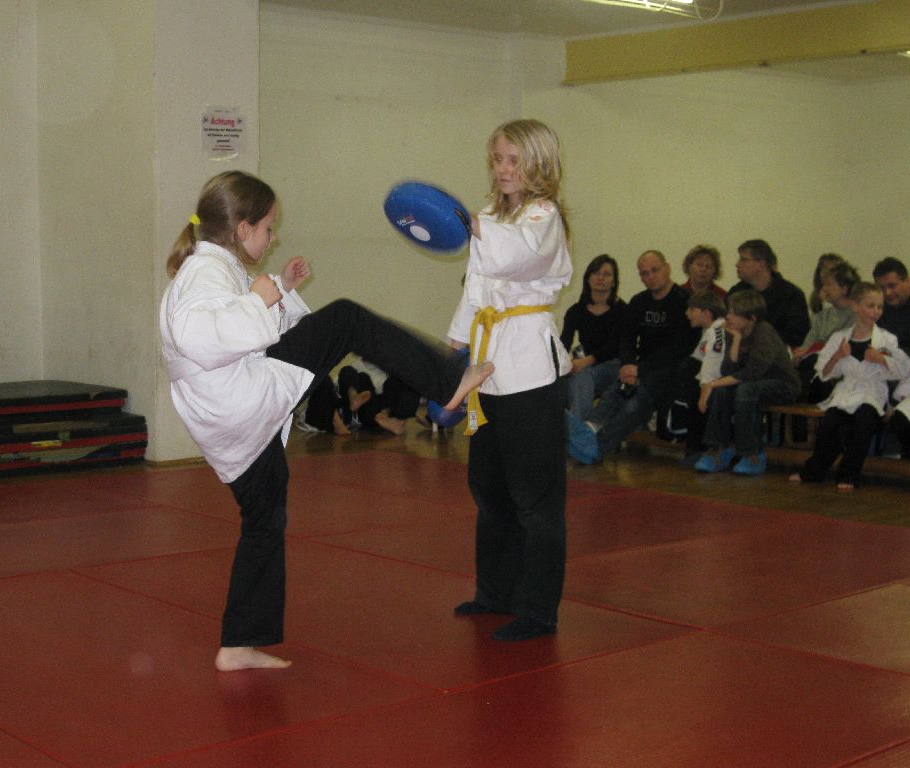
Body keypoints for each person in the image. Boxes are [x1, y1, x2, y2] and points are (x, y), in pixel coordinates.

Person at [160, 170, 493, 671]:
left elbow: (244, 327)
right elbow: (200, 338)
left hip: (226, 416)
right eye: (268, 228)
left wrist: (281, 290)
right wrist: (260, 299)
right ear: (243, 228)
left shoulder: (213, 267)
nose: (273, 238)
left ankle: (239, 643)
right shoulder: (204, 271)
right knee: (346, 320)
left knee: (265, 518)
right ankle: (446, 382)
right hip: (237, 398)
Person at [448, 119, 573, 642]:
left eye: (513, 160)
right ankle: (494, 592)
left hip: (530, 368)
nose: (502, 169)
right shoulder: (492, 219)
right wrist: (454, 347)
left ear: (538, 164)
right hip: (488, 364)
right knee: (489, 488)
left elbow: (520, 255)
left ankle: (538, 609)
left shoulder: (544, 217)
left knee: (535, 498)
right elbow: (476, 289)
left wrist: (475, 228)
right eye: (497, 159)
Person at [567, 250, 698, 464]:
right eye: (644, 273)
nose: (650, 276)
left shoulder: (684, 302)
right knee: (614, 394)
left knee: (633, 406)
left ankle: (595, 448)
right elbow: (627, 339)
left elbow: (680, 348)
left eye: (655, 270)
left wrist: (640, 369)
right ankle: (588, 429)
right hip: (638, 368)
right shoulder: (639, 301)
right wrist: (627, 365)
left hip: (670, 374)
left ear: (667, 268)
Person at [790, 282, 910, 489]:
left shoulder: (887, 339)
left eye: (879, 307)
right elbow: (823, 373)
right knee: (829, 424)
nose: (876, 311)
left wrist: (881, 359)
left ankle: (849, 475)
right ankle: (813, 471)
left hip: (873, 394)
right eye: (870, 306)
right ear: (855, 306)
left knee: (863, 423)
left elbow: (903, 370)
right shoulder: (839, 338)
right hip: (846, 392)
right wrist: (838, 355)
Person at [695, 290, 800, 475]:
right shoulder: (733, 331)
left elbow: (753, 372)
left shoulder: (764, 331)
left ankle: (752, 453)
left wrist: (712, 384)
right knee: (723, 392)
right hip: (751, 385)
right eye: (729, 311)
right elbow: (728, 371)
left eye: (734, 313)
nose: (728, 316)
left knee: (744, 389)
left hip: (783, 385)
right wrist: (736, 340)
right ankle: (719, 449)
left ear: (751, 318)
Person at [559, 254, 626, 422]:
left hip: (614, 366)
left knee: (580, 376)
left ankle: (577, 430)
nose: (601, 278)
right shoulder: (576, 311)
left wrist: (584, 362)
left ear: (614, 281)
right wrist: (565, 365)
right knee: (574, 379)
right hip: (587, 368)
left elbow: (614, 347)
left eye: (607, 274)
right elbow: (563, 344)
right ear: (588, 278)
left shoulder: (623, 310)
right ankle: (582, 429)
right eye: (596, 273)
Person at [792, 259, 859, 402]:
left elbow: (842, 344)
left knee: (812, 365)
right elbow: (808, 343)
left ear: (844, 288)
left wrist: (813, 350)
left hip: (837, 366)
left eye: (829, 285)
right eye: (823, 285)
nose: (824, 289)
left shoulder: (856, 314)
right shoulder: (822, 316)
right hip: (814, 364)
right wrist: (800, 354)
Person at [728, 239, 810, 349]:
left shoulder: (791, 295)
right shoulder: (736, 292)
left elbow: (797, 337)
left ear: (761, 264)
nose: (737, 264)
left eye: (744, 259)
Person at [677, 290, 727, 465]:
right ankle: (694, 446)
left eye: (691, 309)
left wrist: (704, 391)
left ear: (706, 312)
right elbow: (696, 358)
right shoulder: (708, 330)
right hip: (709, 378)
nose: (687, 313)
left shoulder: (719, 330)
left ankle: (703, 448)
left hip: (719, 381)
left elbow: (713, 365)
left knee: (697, 396)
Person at [872, 257, 910, 351]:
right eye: (881, 288)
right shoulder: (878, 310)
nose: (887, 293)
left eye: (892, 286)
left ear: (908, 282)